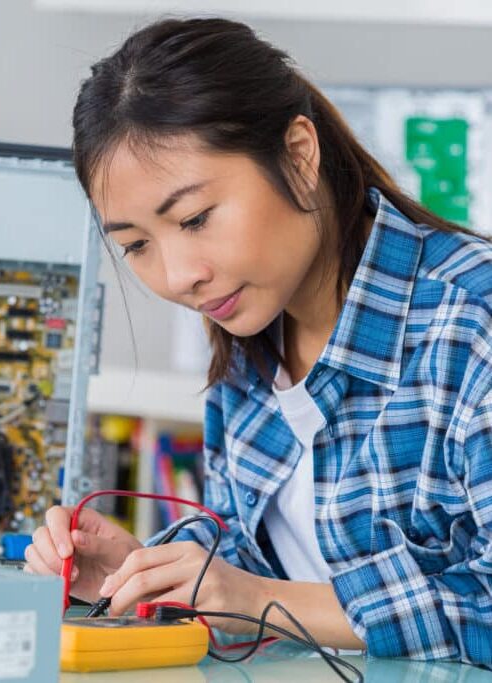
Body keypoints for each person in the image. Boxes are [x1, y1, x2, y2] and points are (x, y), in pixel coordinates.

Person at [25, 17, 492, 667]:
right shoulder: (245, 343)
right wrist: (142, 574)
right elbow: (250, 569)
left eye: (194, 218)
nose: (178, 274)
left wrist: (256, 595)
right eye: (136, 244)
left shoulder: (472, 323)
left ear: (298, 156)